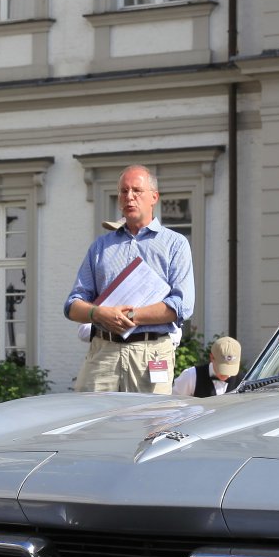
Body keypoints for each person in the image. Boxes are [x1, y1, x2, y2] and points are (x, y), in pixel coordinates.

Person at [64, 165, 195, 394]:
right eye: (124, 191)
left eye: (137, 190)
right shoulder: (101, 246)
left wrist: (129, 317)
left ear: (154, 197)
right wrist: (98, 314)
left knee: (150, 417)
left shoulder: (175, 244)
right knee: (92, 416)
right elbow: (72, 306)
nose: (129, 196)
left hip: (151, 352)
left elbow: (181, 305)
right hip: (103, 352)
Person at [173, 336, 243, 397]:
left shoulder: (243, 381)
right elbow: (175, 403)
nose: (226, 374)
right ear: (212, 357)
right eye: (222, 368)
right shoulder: (191, 376)